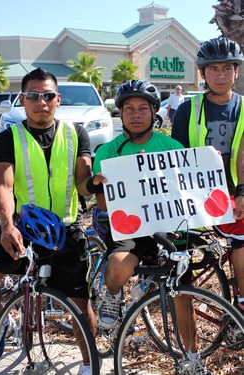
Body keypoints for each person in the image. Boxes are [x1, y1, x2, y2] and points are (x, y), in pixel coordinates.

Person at [92, 79, 212, 373]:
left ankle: (193, 359)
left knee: (181, 292)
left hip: (169, 226)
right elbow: (105, 205)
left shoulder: (171, 146)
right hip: (131, 229)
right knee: (119, 267)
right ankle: (114, 294)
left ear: (154, 112)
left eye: (142, 108)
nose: (135, 114)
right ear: (120, 114)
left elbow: (188, 189)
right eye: (129, 109)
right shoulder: (108, 151)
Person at [0, 67, 101, 375]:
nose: (40, 102)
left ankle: (87, 365)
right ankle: (1, 320)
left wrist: (93, 185)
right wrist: (6, 224)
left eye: (47, 96)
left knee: (82, 305)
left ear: (57, 99)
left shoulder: (76, 133)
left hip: (65, 229)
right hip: (21, 228)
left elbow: (82, 183)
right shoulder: (7, 138)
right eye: (32, 96)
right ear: (22, 99)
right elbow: (3, 185)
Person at [172, 36, 244, 316]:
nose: (221, 75)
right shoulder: (187, 110)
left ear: (236, 71)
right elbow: (175, 157)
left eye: (227, 68)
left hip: (235, 192)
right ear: (203, 73)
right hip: (198, 195)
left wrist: (241, 193)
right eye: (213, 69)